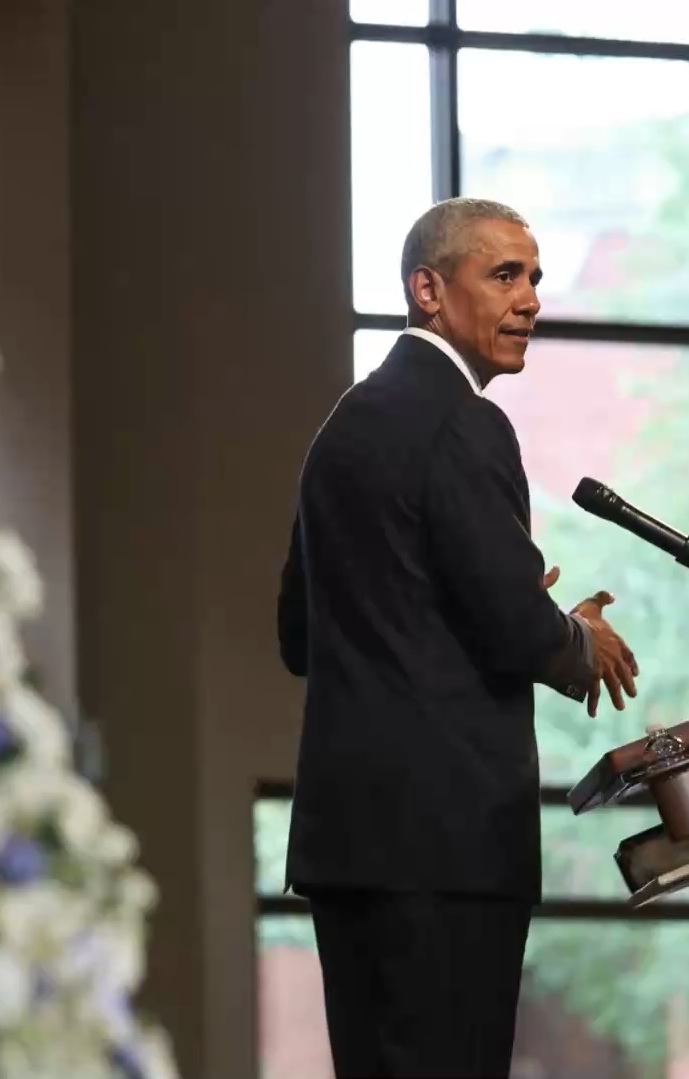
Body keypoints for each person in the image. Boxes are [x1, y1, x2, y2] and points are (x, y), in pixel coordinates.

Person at [276, 197, 641, 1078]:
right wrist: (575, 636)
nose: (530, 300)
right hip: (447, 848)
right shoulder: (466, 420)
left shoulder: (344, 427)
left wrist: (471, 605)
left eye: (535, 279)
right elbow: (514, 627)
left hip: (351, 846)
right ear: (427, 290)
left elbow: (300, 633)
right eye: (504, 275)